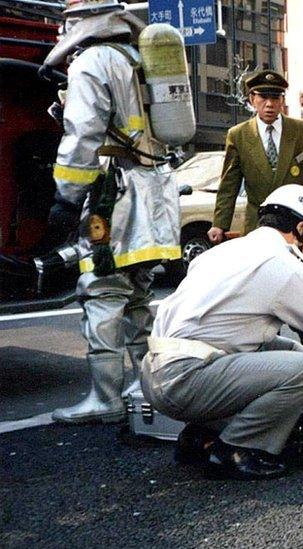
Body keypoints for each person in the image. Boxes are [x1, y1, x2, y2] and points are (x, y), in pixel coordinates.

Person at [141, 185, 303, 480]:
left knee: (291, 353)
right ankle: (237, 449)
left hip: (154, 374)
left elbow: (228, 331)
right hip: (187, 381)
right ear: (300, 228)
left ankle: (200, 436)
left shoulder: (224, 252)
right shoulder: (284, 266)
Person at [41, 0, 183, 424]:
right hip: (154, 190)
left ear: (80, 23)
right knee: (137, 293)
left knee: (102, 291)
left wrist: (66, 197)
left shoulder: (91, 63)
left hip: (114, 195)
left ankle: (105, 399)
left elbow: (82, 135)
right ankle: (145, 388)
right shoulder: (139, 57)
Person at [208, 69, 303, 349]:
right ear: (252, 99)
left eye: (275, 98)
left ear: (282, 101)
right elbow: (229, 183)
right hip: (259, 224)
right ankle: (263, 335)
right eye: (263, 98)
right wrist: (220, 223)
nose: (269, 104)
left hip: (298, 225)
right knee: (258, 281)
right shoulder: (238, 136)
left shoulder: (302, 132)